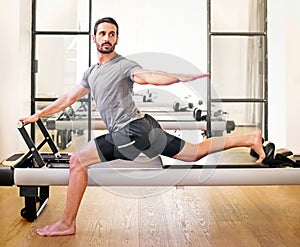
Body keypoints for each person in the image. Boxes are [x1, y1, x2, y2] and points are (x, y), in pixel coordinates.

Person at [20, 17, 265, 237]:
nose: (107, 38)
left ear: (116, 38)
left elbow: (147, 76)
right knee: (195, 152)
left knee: (77, 161)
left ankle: (66, 223)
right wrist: (38, 114)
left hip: (132, 131)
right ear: (94, 38)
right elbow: (68, 99)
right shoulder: (91, 73)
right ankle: (250, 138)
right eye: (103, 33)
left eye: (112, 34)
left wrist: (178, 77)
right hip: (142, 128)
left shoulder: (124, 65)